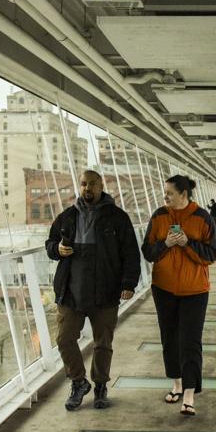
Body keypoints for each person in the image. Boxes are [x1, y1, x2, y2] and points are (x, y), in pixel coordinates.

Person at [46, 170, 141, 411]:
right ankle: (79, 382)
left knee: (102, 343)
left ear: (101, 186)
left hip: (105, 291)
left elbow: (131, 252)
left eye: (92, 184)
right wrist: (57, 249)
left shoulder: (117, 218)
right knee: (64, 339)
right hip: (71, 292)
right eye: (83, 184)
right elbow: (50, 244)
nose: (87, 188)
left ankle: (100, 386)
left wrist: (128, 284)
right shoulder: (67, 217)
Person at [141, 175, 216, 416]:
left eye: (170, 193)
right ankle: (176, 383)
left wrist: (187, 243)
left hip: (195, 291)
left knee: (190, 341)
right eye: (165, 193)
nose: (165, 197)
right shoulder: (159, 216)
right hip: (163, 289)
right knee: (169, 338)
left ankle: (189, 394)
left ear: (183, 194)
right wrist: (166, 243)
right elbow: (148, 252)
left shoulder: (202, 217)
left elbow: (213, 253)